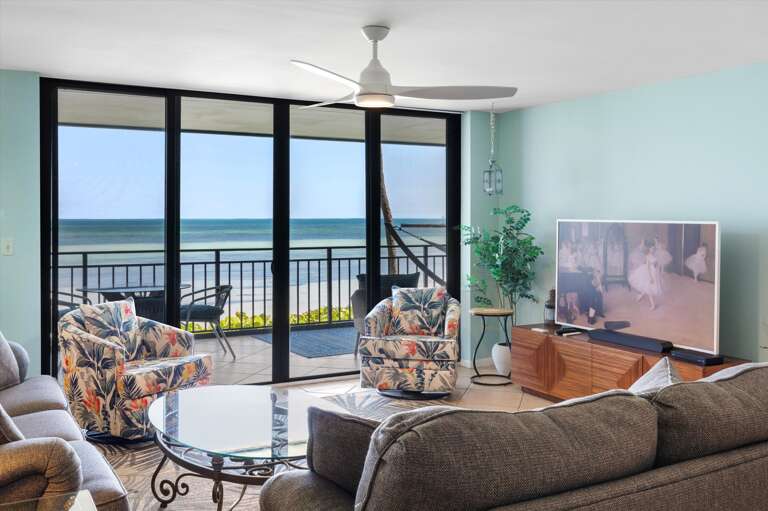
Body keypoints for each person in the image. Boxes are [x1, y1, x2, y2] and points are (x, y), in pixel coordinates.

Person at [628, 240, 662, 310]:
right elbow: (648, 268)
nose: (653, 249)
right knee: (649, 289)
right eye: (652, 248)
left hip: (655, 273)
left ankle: (640, 295)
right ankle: (653, 305)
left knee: (648, 287)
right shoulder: (648, 256)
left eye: (653, 248)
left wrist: (658, 271)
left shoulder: (654, 255)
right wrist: (651, 277)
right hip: (650, 274)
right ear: (649, 249)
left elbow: (657, 264)